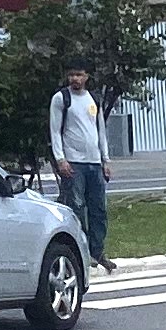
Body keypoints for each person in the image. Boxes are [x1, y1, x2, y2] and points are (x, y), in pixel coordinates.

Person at [52, 66, 116, 272]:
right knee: (77, 207)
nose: (75, 79)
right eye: (71, 75)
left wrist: (105, 159)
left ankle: (97, 251)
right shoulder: (61, 99)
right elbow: (55, 130)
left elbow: (100, 130)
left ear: (86, 77)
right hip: (73, 162)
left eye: (79, 75)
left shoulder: (93, 99)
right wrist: (61, 159)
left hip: (94, 162)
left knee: (99, 210)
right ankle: (82, 251)